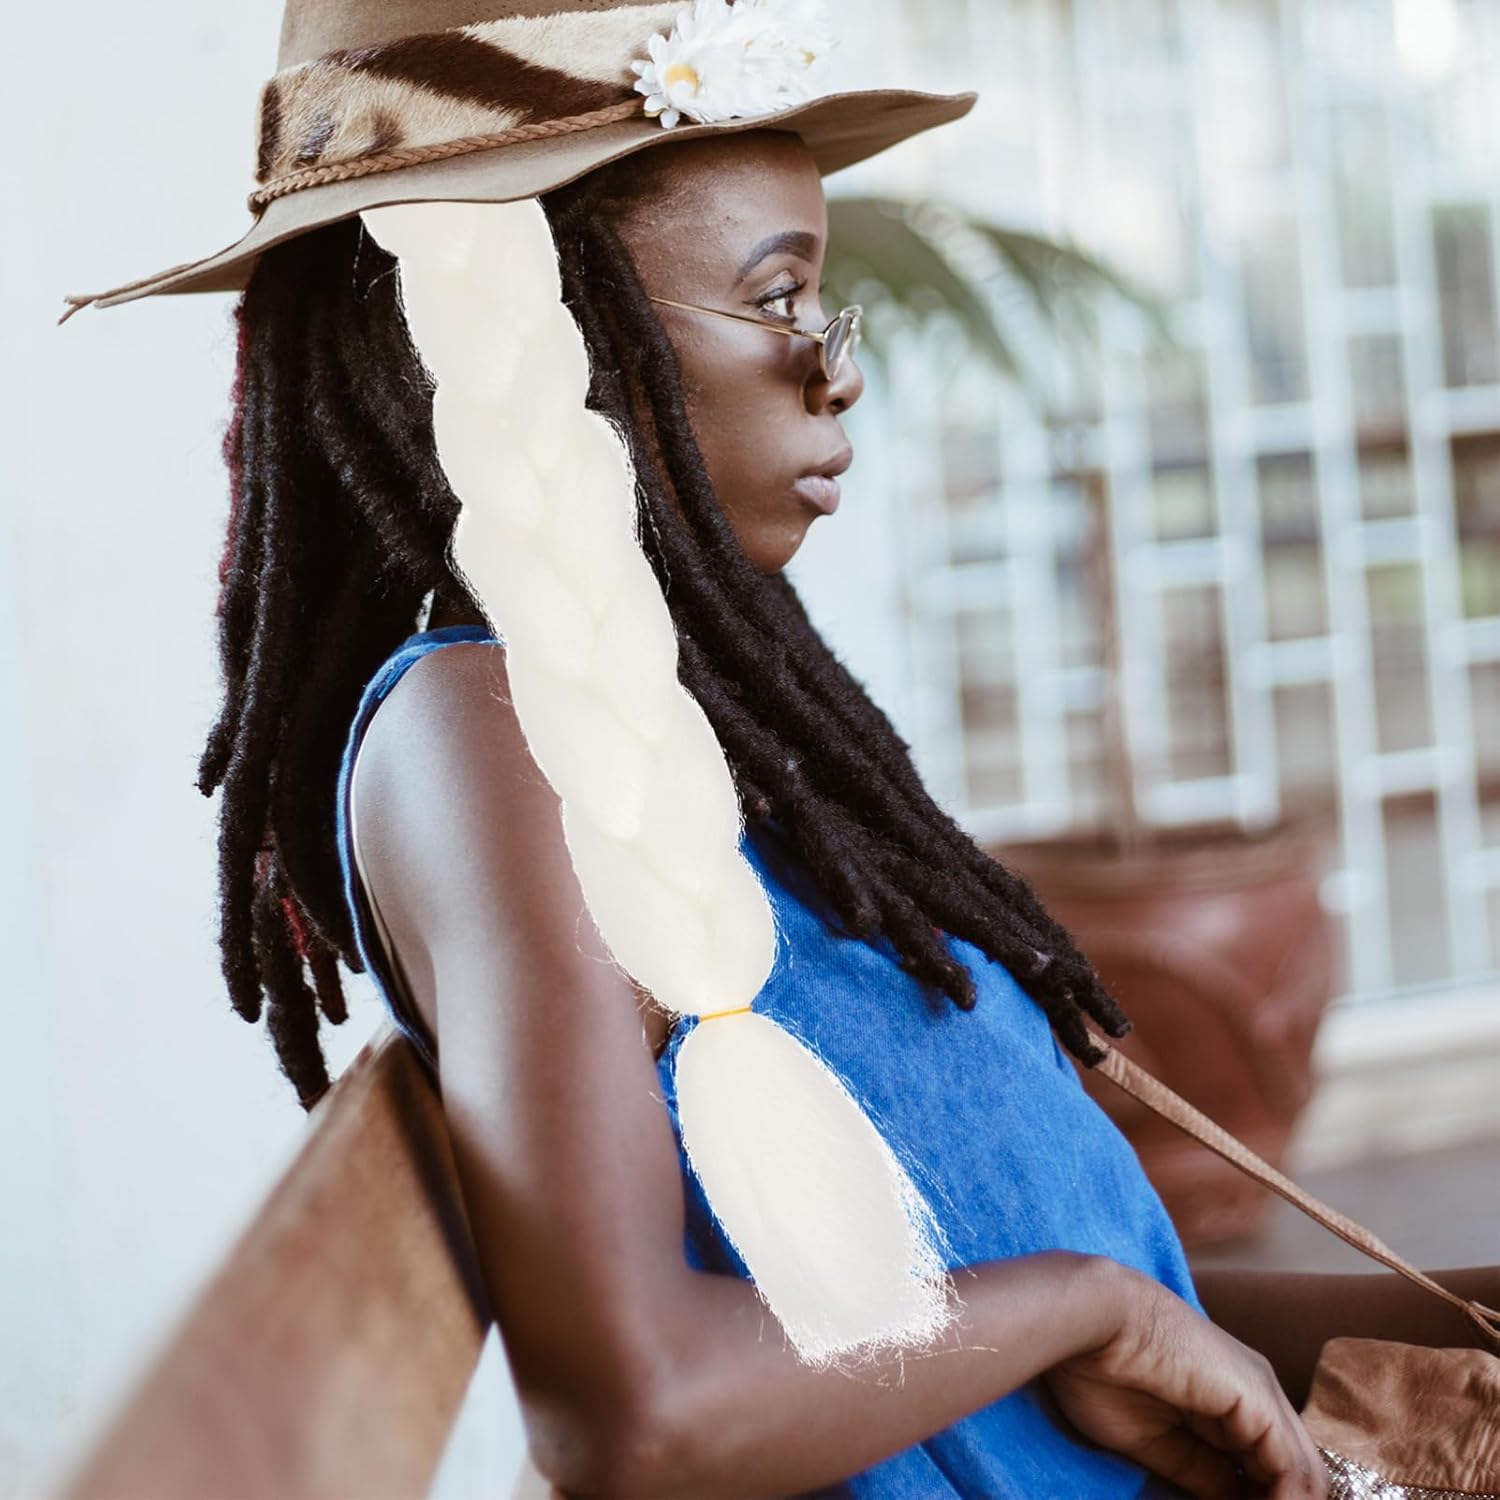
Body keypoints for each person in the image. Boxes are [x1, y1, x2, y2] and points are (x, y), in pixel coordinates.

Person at [63, 3, 1498, 1496]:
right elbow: (640, 1416)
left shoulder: (700, 731)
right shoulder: (490, 737)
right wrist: (1090, 1309)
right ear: (547, 332)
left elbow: (1105, 1312)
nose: (836, 370)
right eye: (777, 296)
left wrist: (1171, 1305)